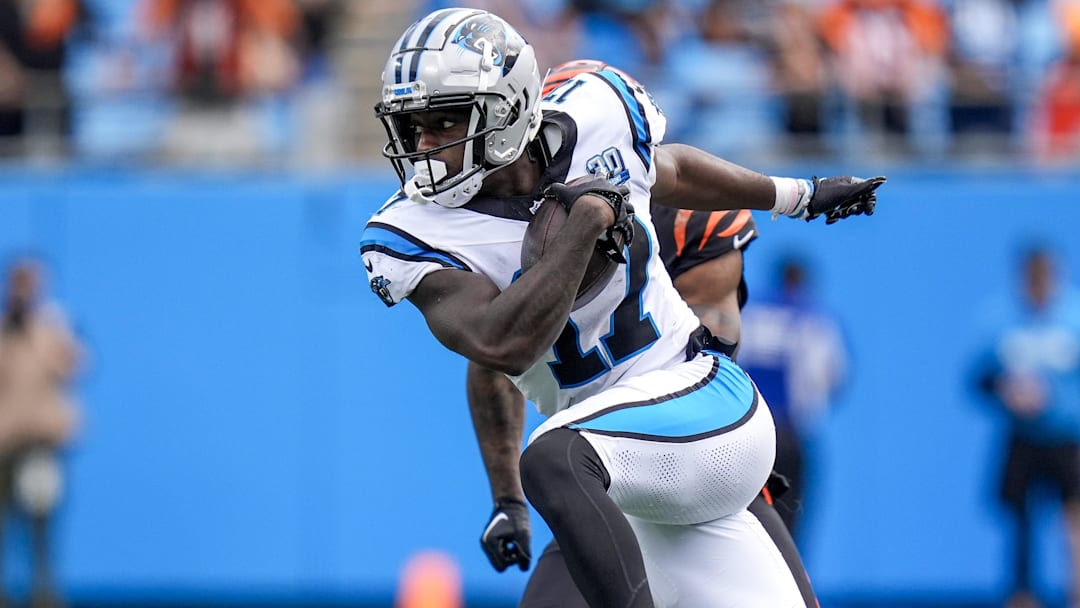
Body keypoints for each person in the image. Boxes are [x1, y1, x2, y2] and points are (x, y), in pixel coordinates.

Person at [361, 8, 884, 606]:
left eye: (444, 122)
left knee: (554, 458)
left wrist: (801, 195)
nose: (425, 146)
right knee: (559, 463)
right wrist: (587, 224)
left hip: (698, 398)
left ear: (507, 112)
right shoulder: (408, 232)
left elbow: (671, 170)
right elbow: (496, 348)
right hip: (611, 469)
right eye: (413, 127)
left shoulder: (598, 111)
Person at [470, 59, 818, 608]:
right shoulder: (514, 229)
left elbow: (715, 335)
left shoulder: (695, 218)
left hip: (677, 448)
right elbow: (492, 361)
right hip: (595, 473)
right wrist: (507, 497)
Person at [973, 245, 1080, 608]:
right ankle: (1023, 596)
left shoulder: (1073, 315)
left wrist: (1058, 399)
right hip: (1022, 436)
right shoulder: (1003, 318)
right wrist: (1007, 390)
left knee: (1074, 518)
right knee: (1020, 520)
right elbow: (979, 378)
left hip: (1067, 436)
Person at [736, 255, 849, 539]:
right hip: (789, 433)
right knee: (789, 524)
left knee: (744, 520)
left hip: (746, 433)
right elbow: (834, 377)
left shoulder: (749, 313)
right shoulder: (814, 320)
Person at [0, 257, 82, 608]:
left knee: (41, 519)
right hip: (5, 438)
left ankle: (44, 593)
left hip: (40, 439)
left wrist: (44, 332)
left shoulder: (51, 328)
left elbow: (75, 366)